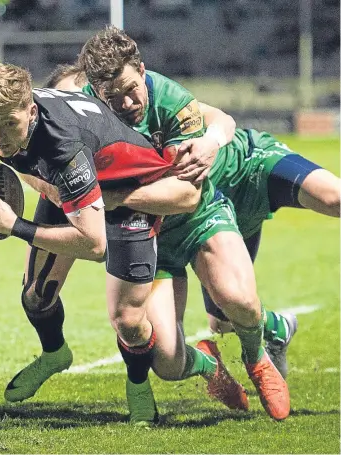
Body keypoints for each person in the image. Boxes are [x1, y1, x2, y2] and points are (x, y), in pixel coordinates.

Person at [0, 63, 252, 422]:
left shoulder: (64, 147)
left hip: (130, 192)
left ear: (31, 112)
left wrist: (15, 225)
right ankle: (54, 354)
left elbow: (94, 245)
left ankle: (143, 381)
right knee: (36, 294)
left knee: (128, 320)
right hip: (70, 189)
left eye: (9, 125)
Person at [77, 26, 292, 422]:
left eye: (130, 88)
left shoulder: (173, 102)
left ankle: (256, 356)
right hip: (144, 239)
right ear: (95, 91)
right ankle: (209, 366)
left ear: (141, 70)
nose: (125, 103)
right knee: (168, 363)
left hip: (198, 219)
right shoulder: (84, 115)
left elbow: (187, 195)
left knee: (240, 301)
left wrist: (114, 198)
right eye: (112, 97)